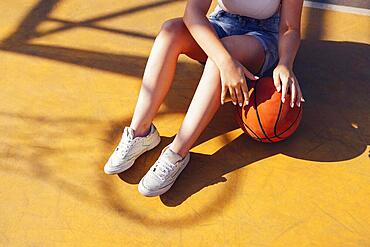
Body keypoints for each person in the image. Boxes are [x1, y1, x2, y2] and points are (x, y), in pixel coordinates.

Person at [104, 0, 305, 197]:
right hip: (222, 23)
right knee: (171, 30)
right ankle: (141, 132)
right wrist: (226, 62)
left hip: (264, 37)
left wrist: (285, 63)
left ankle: (176, 153)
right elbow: (193, 12)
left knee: (227, 49)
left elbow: (289, 27)